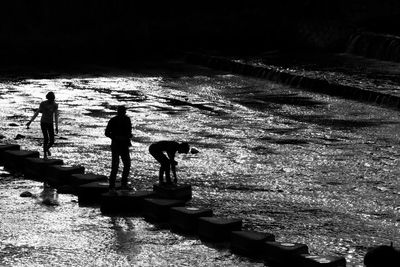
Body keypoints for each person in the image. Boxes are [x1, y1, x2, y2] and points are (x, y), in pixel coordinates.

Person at [105, 105, 132, 191]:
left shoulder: (127, 120)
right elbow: (106, 133)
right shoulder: (113, 120)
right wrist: (115, 137)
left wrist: (128, 136)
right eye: (122, 112)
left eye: (124, 112)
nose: (123, 113)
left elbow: (129, 131)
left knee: (127, 164)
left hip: (124, 145)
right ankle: (112, 186)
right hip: (116, 145)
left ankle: (124, 183)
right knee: (115, 166)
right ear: (118, 112)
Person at [26, 92, 59, 159]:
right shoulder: (43, 104)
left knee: (52, 141)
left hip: (50, 123)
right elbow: (37, 112)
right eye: (50, 99)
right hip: (43, 122)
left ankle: (46, 149)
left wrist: (56, 127)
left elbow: (55, 116)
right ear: (48, 98)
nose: (51, 101)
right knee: (46, 138)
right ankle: (45, 155)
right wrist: (30, 121)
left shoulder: (55, 105)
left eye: (52, 99)